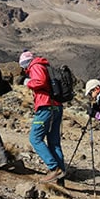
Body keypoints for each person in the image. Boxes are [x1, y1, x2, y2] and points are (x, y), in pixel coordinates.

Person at [19, 50, 65, 183]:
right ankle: (60, 179)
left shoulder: (36, 66)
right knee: (54, 143)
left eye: (23, 66)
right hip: (56, 106)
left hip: (46, 106)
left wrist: (27, 82)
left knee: (35, 138)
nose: (24, 69)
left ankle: (53, 168)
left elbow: (40, 82)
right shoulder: (45, 66)